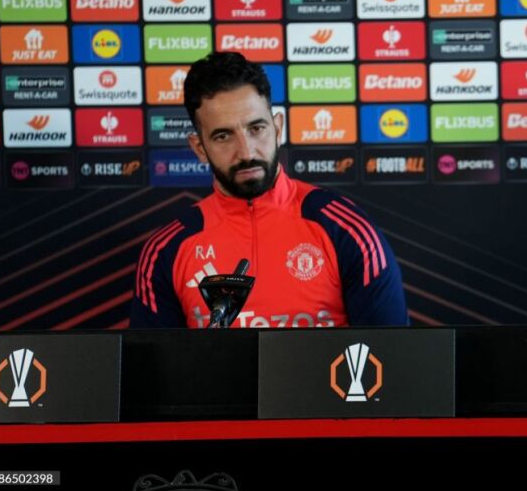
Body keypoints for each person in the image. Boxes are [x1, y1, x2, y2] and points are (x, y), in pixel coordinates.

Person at [131, 51, 408, 328]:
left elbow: (390, 351)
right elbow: (155, 357)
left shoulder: (345, 230)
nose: (246, 152)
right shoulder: (166, 251)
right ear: (199, 148)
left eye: (256, 128)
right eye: (223, 136)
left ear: (277, 128)